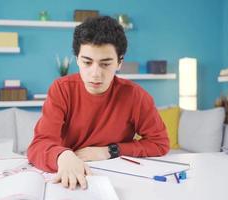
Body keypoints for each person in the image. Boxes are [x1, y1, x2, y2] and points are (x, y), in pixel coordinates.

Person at [27, 16, 169, 190]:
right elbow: (38, 146)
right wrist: (62, 155)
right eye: (87, 62)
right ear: (77, 59)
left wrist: (110, 151)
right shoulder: (61, 89)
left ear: (119, 63)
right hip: (66, 176)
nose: (95, 74)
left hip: (117, 178)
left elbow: (160, 143)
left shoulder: (136, 96)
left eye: (105, 64)